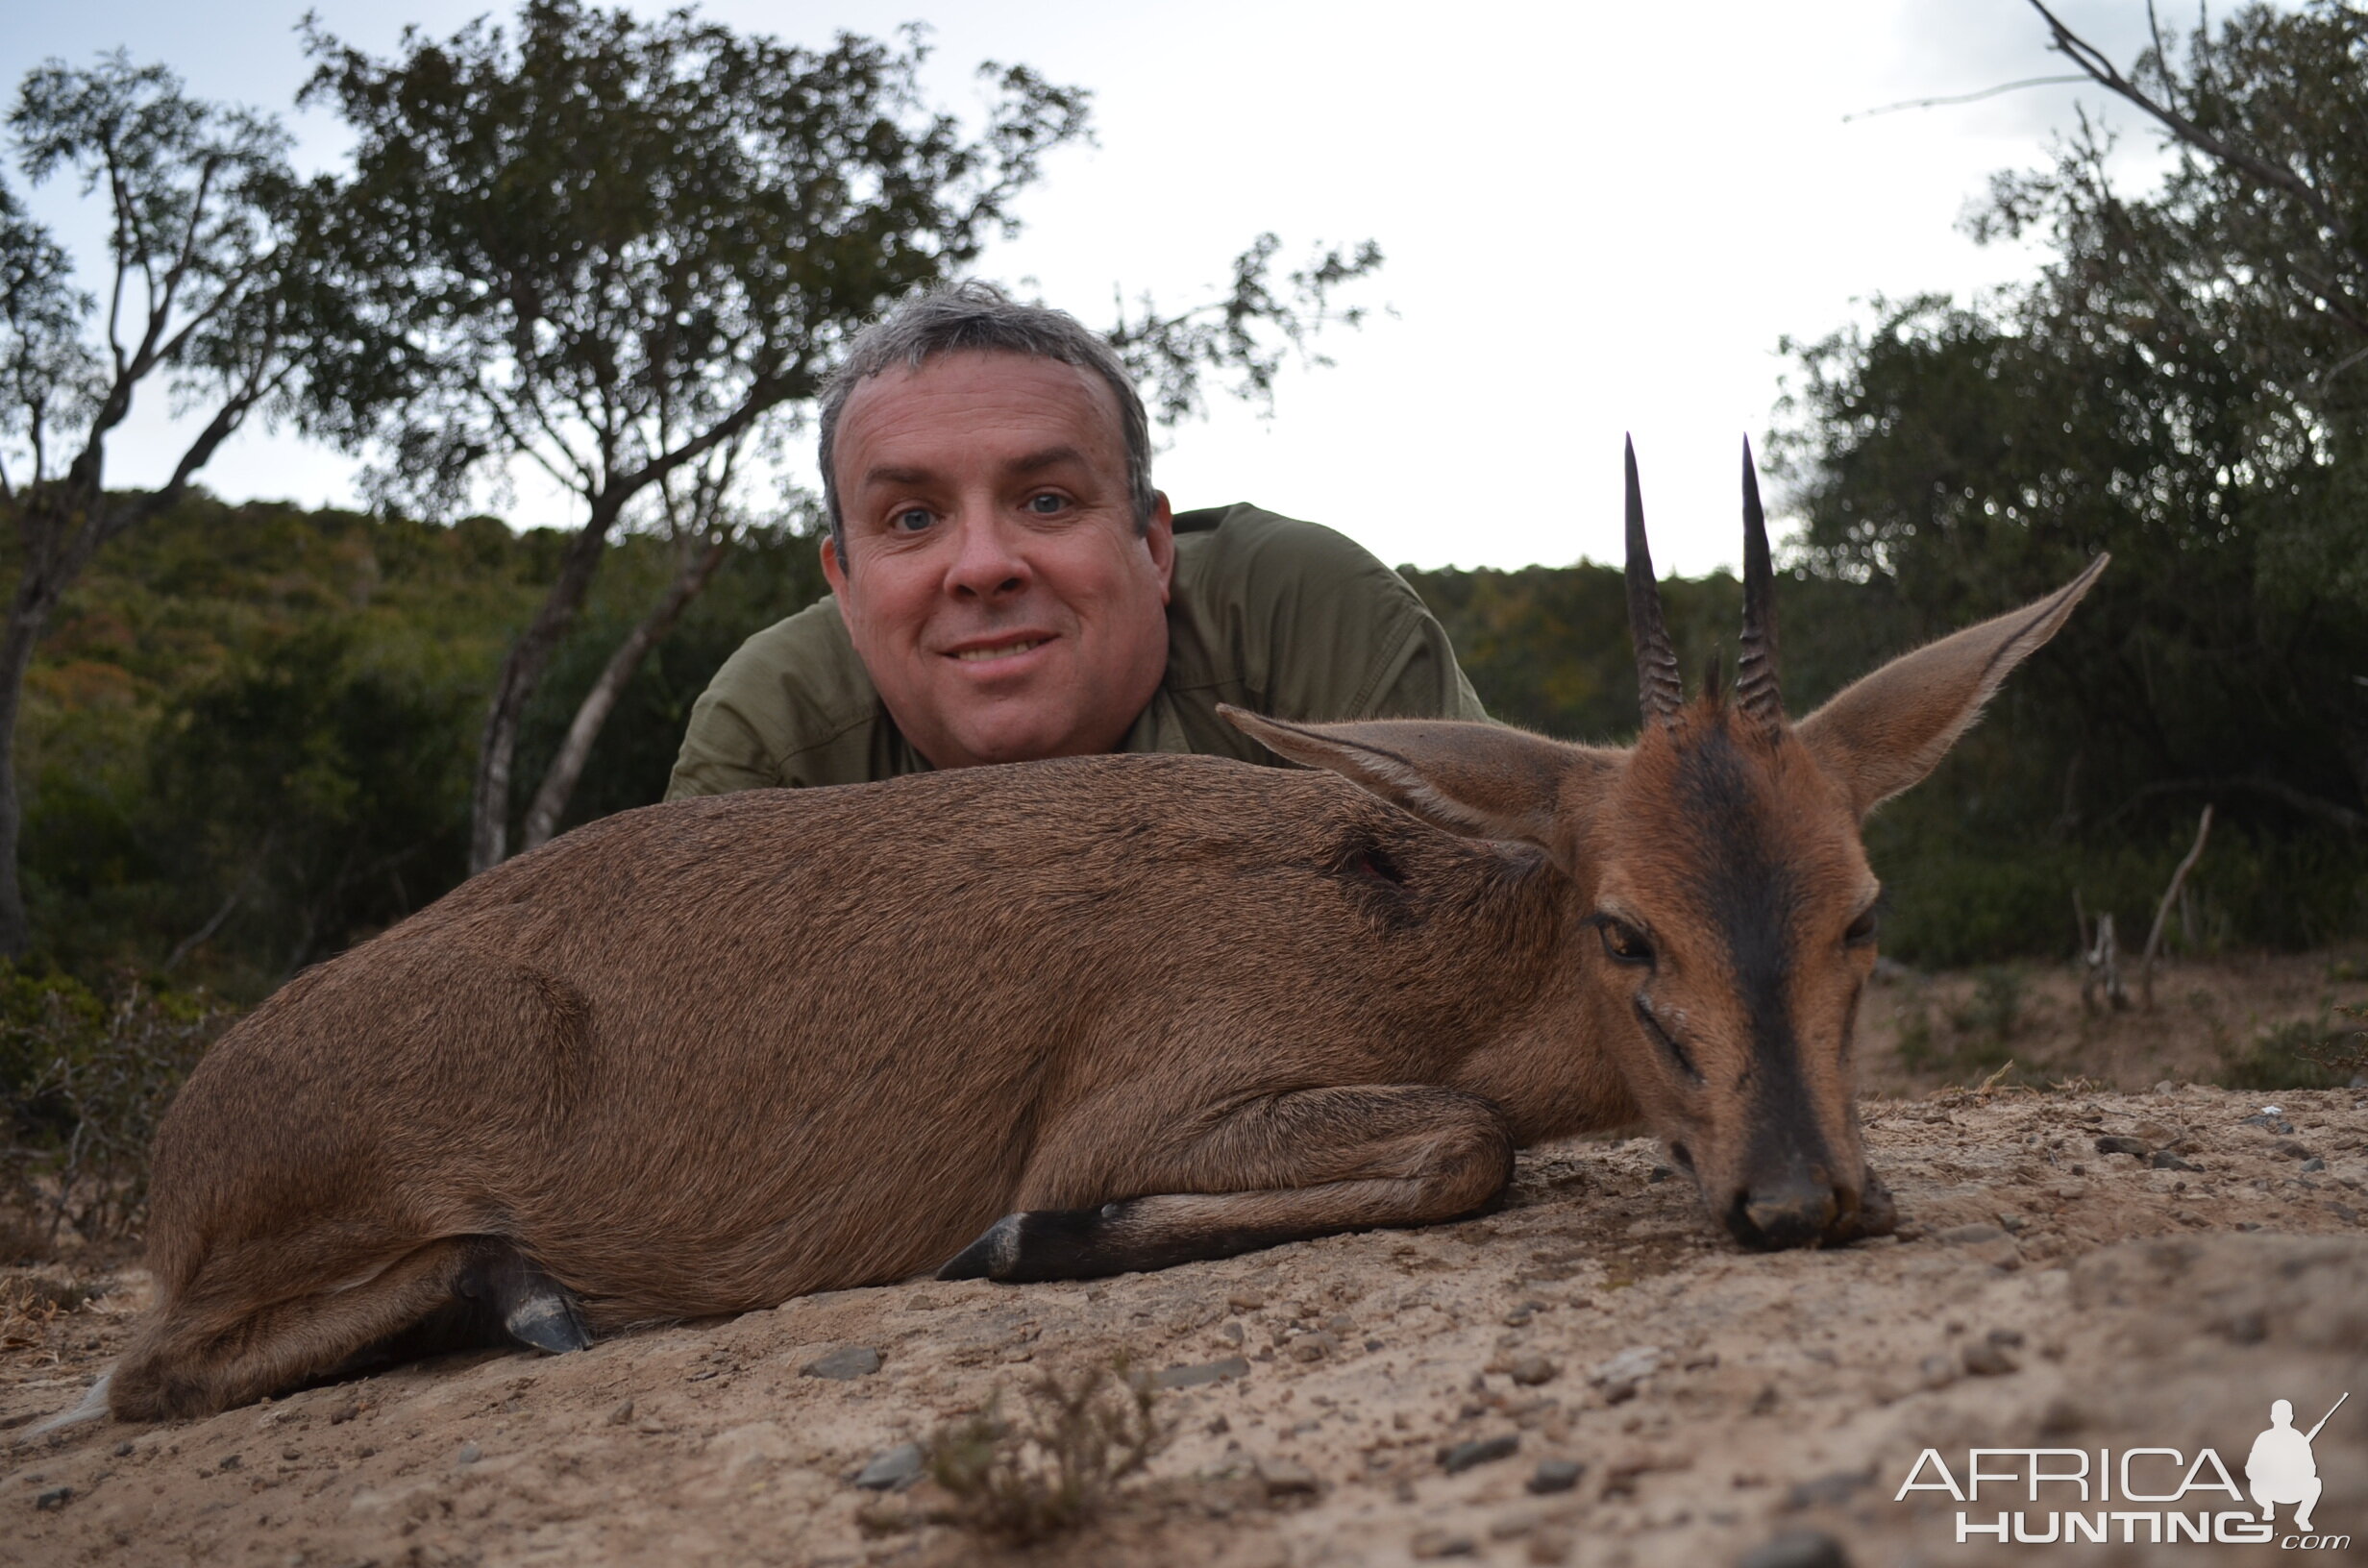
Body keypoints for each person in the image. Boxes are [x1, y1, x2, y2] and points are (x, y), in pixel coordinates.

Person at [665, 282, 1485, 798]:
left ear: (1155, 547)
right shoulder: (772, 737)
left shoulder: (1305, 617)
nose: (984, 567)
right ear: (843, 585)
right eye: (913, 519)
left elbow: (1506, 966)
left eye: (1047, 501)